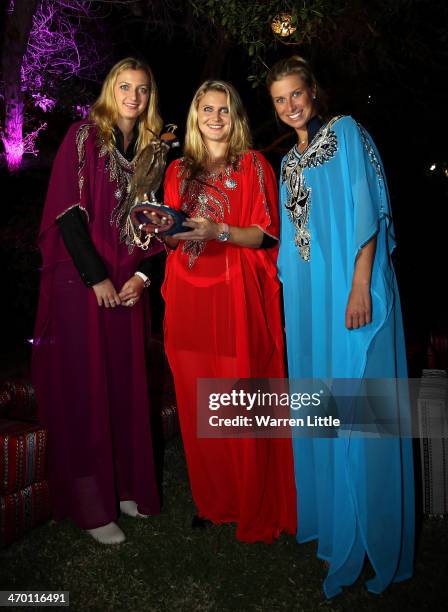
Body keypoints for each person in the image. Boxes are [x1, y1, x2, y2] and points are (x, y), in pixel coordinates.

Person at [267, 56, 414, 596]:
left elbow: (367, 209)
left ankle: (376, 535)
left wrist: (359, 284)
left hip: (352, 285)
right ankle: (335, 524)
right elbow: (289, 239)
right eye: (279, 100)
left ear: (313, 91)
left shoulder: (346, 131)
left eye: (296, 94)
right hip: (310, 297)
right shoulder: (288, 164)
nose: (290, 106)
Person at [32, 58, 165, 545]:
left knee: (125, 385)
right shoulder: (84, 136)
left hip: (127, 285)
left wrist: (144, 277)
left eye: (143, 89)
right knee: (87, 388)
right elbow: (67, 211)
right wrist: (96, 279)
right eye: (125, 86)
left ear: (150, 98)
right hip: (84, 281)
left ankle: (126, 486)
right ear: (111, 90)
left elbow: (155, 226)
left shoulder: (152, 152)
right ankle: (92, 506)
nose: (133, 96)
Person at [160, 80, 297, 543]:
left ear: (235, 116)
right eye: (206, 109)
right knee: (199, 397)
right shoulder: (178, 170)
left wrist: (219, 230)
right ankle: (213, 502)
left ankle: (251, 499)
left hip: (235, 293)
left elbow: (266, 234)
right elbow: (176, 232)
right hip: (188, 295)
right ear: (195, 116)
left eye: (224, 109)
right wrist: (158, 231)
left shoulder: (254, 164)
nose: (215, 117)